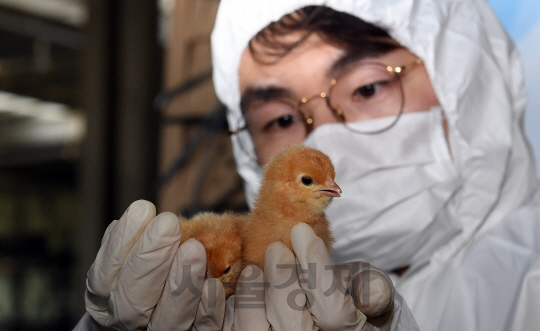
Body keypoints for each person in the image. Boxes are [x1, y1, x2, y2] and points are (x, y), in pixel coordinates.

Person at [74, 0, 540, 330]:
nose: (324, 137)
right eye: (279, 119)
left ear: (465, 75)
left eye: (367, 89)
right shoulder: (235, 295)